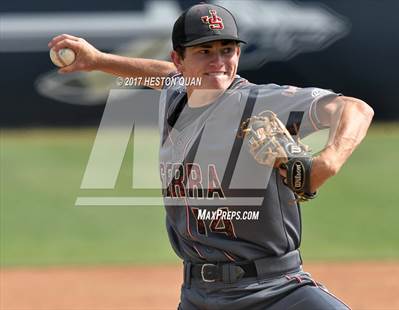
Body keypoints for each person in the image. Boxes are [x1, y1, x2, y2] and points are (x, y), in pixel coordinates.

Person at [49, 3, 374, 309]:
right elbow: (160, 75)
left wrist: (327, 162)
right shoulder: (177, 92)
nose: (218, 62)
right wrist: (98, 60)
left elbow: (355, 108)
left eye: (227, 51)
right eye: (204, 52)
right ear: (180, 60)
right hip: (199, 298)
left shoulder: (260, 102)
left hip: (277, 291)